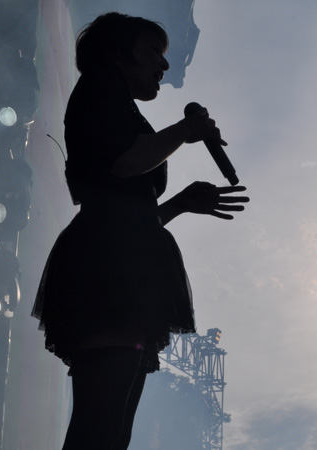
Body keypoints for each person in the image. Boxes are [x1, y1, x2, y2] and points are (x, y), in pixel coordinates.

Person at [31, 12, 249, 450]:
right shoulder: (99, 89)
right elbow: (124, 162)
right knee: (101, 425)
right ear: (118, 51)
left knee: (111, 430)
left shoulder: (115, 101)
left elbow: (126, 207)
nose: (163, 64)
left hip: (119, 255)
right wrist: (186, 129)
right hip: (108, 266)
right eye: (153, 50)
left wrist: (180, 204)